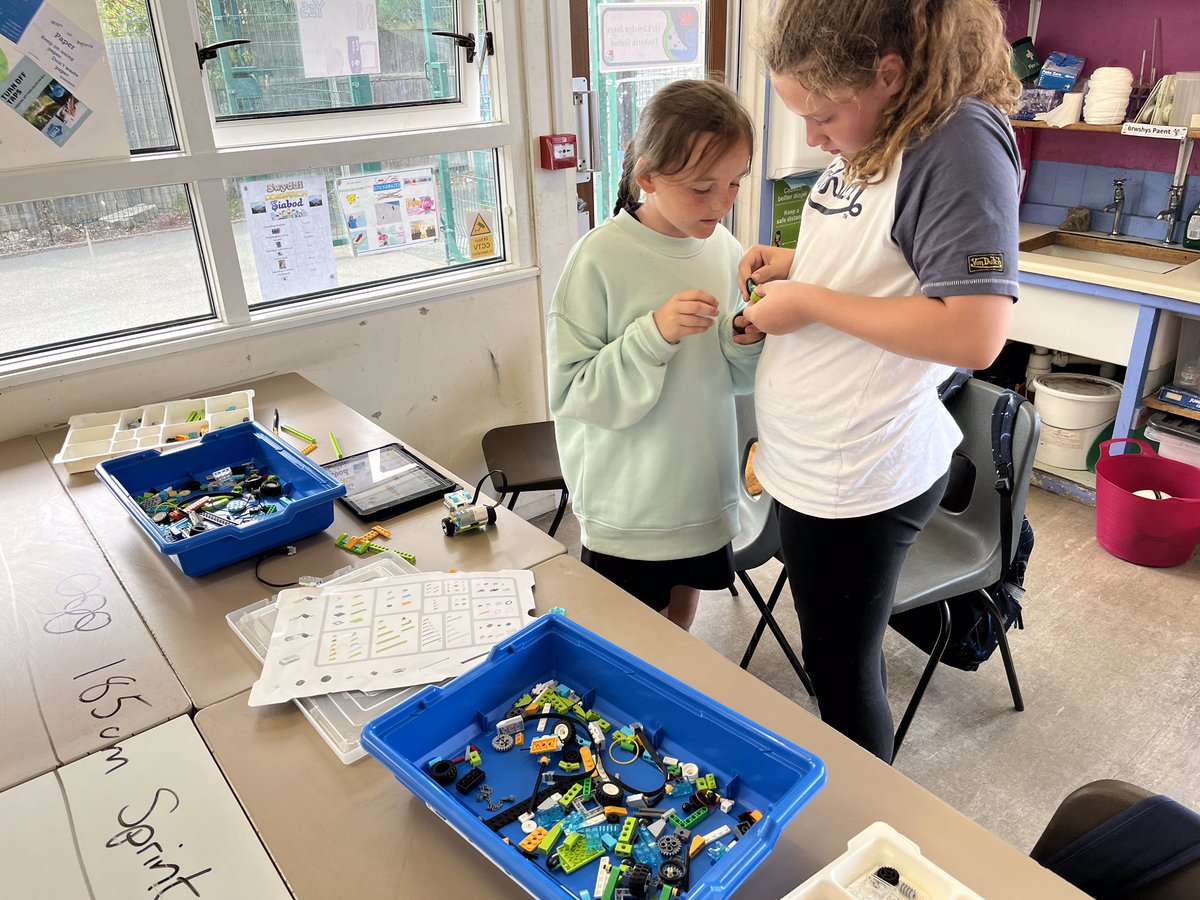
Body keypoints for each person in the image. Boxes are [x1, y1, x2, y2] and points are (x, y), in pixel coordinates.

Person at [738, 0, 1021, 761]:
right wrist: (797, 268)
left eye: (822, 114)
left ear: (888, 75)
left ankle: (871, 845)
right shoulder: (887, 129)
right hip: (815, 458)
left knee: (838, 669)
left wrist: (810, 302)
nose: (811, 137)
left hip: (858, 470)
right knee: (833, 652)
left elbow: (975, 333)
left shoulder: (959, 143)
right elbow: (894, 269)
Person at [547, 79, 763, 630]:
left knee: (681, 625)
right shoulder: (598, 258)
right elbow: (573, 394)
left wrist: (746, 339)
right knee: (625, 642)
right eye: (701, 187)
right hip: (630, 503)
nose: (721, 203)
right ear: (647, 177)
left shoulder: (724, 247)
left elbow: (733, 381)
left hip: (700, 490)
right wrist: (653, 335)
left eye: (734, 184)